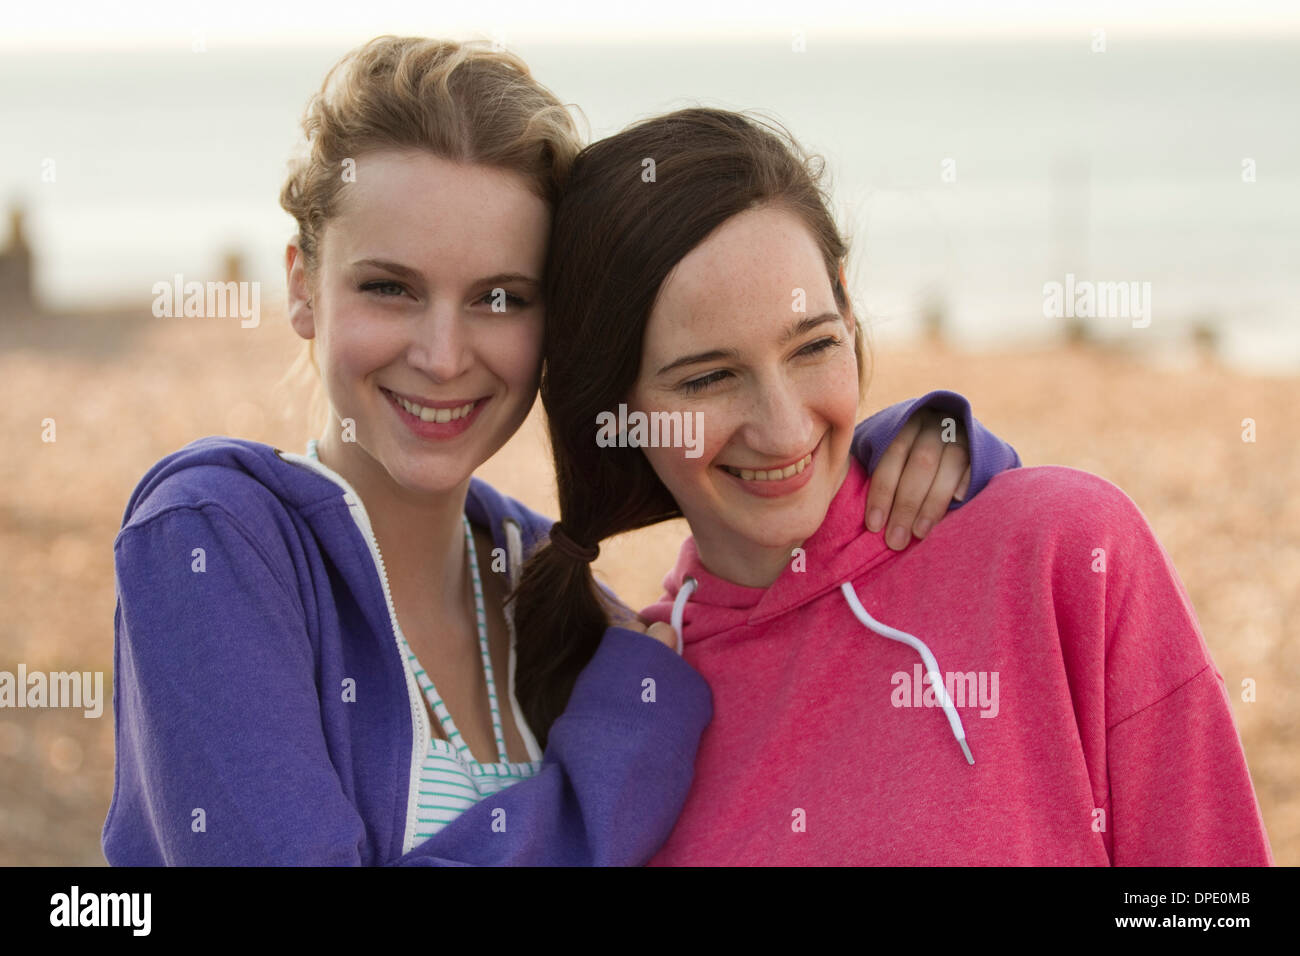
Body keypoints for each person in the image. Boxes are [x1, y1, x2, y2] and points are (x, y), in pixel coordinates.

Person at [103, 39, 1020, 866]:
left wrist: (908, 459)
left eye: (501, 298)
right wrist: (617, 751)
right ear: (302, 286)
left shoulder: (547, 580)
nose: (443, 354)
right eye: (390, 287)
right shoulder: (213, 539)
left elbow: (791, 615)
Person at [513, 107, 1274, 865]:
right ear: (616, 407)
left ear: (847, 304)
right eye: (709, 378)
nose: (783, 431)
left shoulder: (1063, 548)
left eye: (812, 346)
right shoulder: (632, 724)